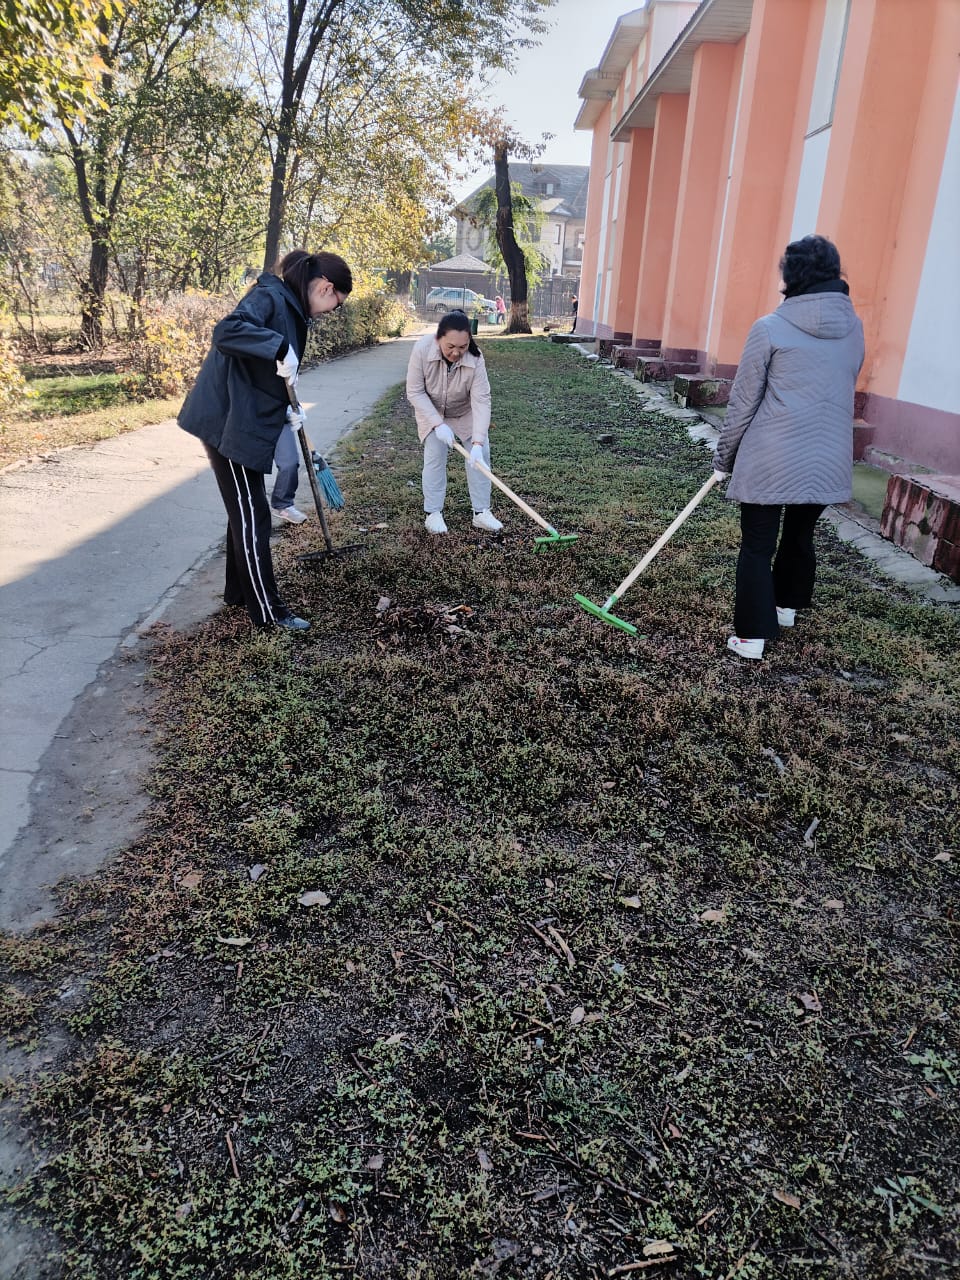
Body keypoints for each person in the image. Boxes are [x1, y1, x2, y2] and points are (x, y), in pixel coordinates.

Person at [178, 248, 352, 631]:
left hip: (248, 418)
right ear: (325, 287)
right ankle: (269, 612)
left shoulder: (290, 306)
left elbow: (265, 371)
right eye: (335, 304)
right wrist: (277, 347)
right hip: (228, 422)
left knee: (245, 511)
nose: (329, 313)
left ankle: (238, 592)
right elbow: (227, 332)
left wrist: (287, 408)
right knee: (253, 516)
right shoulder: (270, 296)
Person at [713, 234, 864, 660]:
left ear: (791, 276)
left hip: (771, 458)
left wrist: (723, 458)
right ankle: (786, 607)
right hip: (828, 457)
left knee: (758, 545)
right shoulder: (855, 328)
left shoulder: (769, 328)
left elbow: (743, 402)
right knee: (800, 535)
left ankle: (751, 637)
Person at [405, 310, 502, 535]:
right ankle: (433, 513)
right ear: (438, 338)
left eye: (462, 347)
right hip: (433, 410)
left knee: (481, 457)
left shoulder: (476, 359)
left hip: (464, 412)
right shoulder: (421, 349)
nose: (456, 353)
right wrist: (437, 424)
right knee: (435, 455)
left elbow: (481, 400)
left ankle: (481, 513)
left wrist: (477, 442)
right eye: (450, 347)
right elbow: (415, 391)